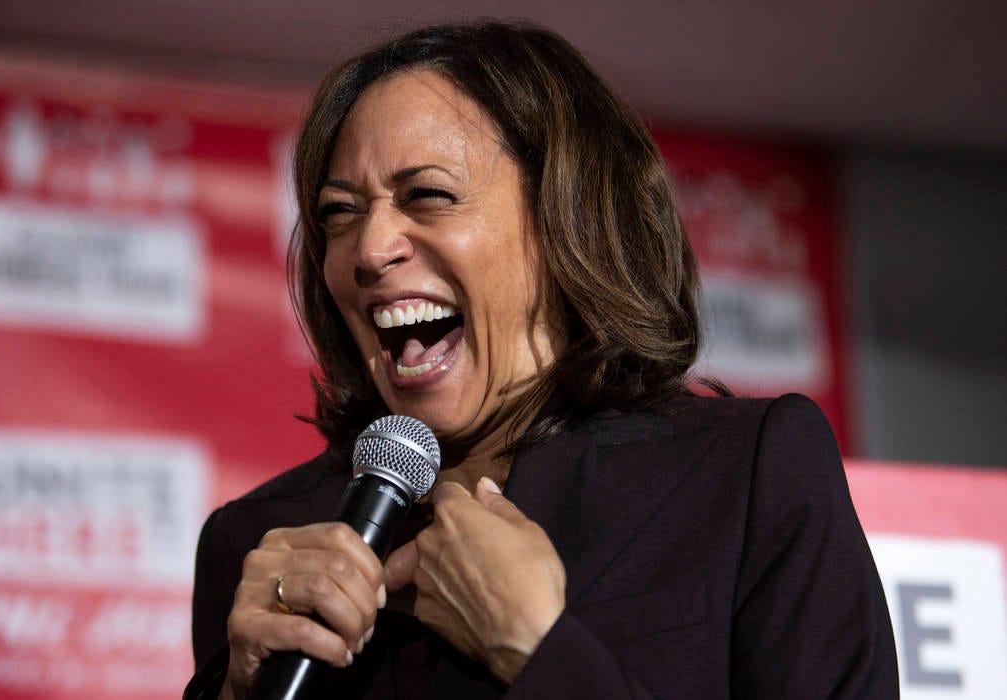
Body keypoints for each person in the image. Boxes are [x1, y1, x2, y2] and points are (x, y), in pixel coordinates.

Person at [184, 20, 898, 700]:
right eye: (340, 213)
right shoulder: (253, 541)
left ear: (567, 221)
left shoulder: (743, 480)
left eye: (428, 196)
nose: (370, 250)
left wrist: (537, 649)